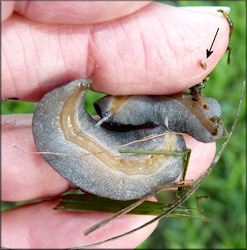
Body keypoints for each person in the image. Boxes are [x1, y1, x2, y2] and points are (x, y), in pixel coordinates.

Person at [1, 1, 230, 248]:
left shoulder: (165, 143)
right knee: (77, 122)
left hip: (138, 164)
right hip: (106, 146)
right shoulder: (162, 137)